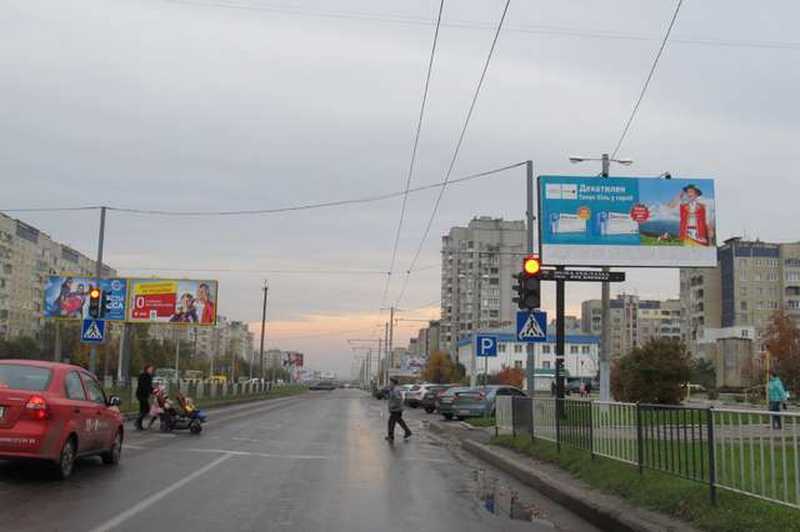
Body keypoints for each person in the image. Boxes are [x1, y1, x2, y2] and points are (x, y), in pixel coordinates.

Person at [385, 377, 411, 442]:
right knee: (399, 421)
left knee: (391, 423)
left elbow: (398, 399)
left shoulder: (396, 390)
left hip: (396, 410)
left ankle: (391, 437)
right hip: (396, 409)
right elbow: (392, 398)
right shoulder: (393, 389)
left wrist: (393, 406)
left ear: (393, 383)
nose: (389, 383)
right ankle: (408, 431)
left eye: (390, 382)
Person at [135, 365, 155, 431]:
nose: (152, 370)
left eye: (152, 369)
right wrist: (151, 391)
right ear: (147, 369)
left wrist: (153, 390)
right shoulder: (144, 376)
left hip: (144, 394)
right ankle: (137, 422)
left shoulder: (148, 376)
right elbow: (145, 386)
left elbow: (149, 386)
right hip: (141, 394)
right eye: (150, 369)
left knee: (143, 409)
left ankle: (139, 424)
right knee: (146, 409)